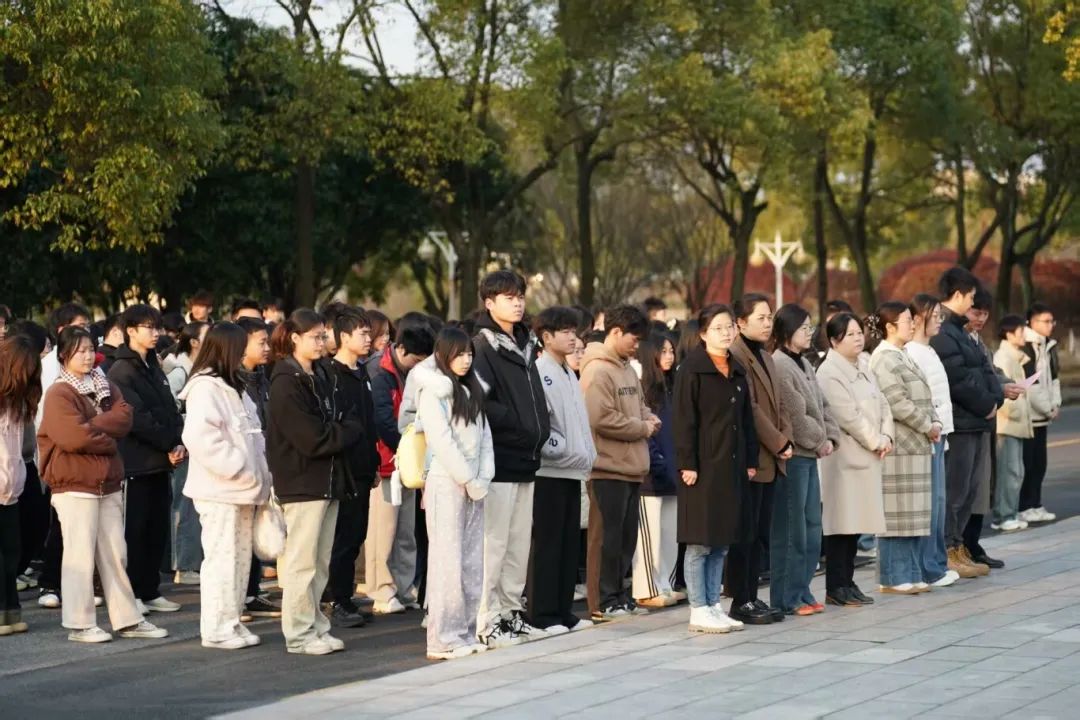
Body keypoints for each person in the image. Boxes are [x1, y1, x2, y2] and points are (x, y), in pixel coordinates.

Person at [38, 326, 168, 643]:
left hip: (106, 481)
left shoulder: (104, 383)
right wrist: (107, 436)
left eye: (89, 349)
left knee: (115, 555)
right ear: (64, 355)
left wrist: (94, 426)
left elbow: (125, 418)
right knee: (80, 556)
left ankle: (127, 619)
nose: (87, 356)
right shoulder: (59, 393)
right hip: (74, 484)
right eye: (79, 350)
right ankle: (80, 623)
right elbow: (73, 437)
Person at [268, 309, 364, 655]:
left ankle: (316, 625)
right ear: (295, 338)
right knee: (302, 562)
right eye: (316, 336)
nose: (323, 342)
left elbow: (344, 417)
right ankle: (299, 633)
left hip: (328, 479)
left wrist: (342, 429)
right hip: (302, 481)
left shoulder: (320, 374)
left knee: (320, 563)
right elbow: (311, 438)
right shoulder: (285, 381)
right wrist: (345, 431)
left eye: (324, 336)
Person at [180, 323, 272, 650]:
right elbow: (200, 438)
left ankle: (231, 620)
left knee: (239, 560)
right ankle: (217, 628)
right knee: (221, 560)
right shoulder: (206, 387)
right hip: (220, 490)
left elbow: (254, 434)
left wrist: (258, 473)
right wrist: (238, 465)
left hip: (243, 488)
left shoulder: (233, 385)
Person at [471, 271, 551, 645]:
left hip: (527, 458)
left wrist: (539, 430)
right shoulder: (482, 347)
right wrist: (519, 427)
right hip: (501, 459)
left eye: (519, 296)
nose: (517, 303)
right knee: (495, 544)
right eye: (508, 297)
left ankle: (511, 614)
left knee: (519, 544)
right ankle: (486, 619)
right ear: (489, 303)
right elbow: (482, 402)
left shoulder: (527, 343)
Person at [413, 328, 495, 659]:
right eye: (459, 354)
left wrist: (482, 478)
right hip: (446, 482)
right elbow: (441, 441)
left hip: (474, 485)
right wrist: (468, 478)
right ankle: (442, 638)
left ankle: (465, 631)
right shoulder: (433, 392)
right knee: (447, 560)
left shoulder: (472, 390)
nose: (466, 360)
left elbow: (485, 438)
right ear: (443, 356)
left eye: (469, 354)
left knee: (472, 561)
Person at [674, 304, 753, 633]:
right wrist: (687, 463)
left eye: (729, 326)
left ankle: (713, 604)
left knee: (721, 541)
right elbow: (683, 420)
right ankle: (698, 607)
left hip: (730, 467)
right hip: (702, 467)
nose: (726, 332)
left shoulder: (737, 369)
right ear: (704, 333)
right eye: (718, 328)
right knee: (700, 542)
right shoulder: (692, 370)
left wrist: (750, 460)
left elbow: (746, 421)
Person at [580, 304, 659, 621]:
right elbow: (600, 418)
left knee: (625, 540)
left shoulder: (626, 369)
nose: (637, 345)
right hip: (606, 467)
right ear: (615, 332)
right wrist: (642, 427)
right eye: (633, 338)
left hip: (631, 467)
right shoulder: (597, 370)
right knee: (606, 541)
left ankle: (619, 595)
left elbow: (639, 406)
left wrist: (649, 417)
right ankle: (602, 602)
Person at [107, 304, 186, 613]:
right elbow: (137, 418)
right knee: (135, 531)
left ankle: (150, 589)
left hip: (160, 462)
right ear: (131, 331)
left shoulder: (153, 365)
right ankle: (132, 595)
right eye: (149, 327)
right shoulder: (121, 370)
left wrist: (178, 441)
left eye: (157, 327)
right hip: (136, 463)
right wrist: (168, 443)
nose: (156, 333)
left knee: (156, 530)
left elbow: (170, 407)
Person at [527, 307, 597, 634]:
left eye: (574, 331)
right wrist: (561, 448)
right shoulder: (541, 370)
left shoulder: (568, 371)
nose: (573, 337)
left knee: (568, 545)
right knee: (549, 544)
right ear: (546, 337)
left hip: (572, 468)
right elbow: (542, 421)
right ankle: (543, 614)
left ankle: (562, 610)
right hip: (550, 471)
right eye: (566, 332)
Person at [929, 268, 1002, 578]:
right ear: (958, 295)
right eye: (971, 297)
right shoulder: (944, 332)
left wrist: (995, 398)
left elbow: (985, 369)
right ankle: (948, 549)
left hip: (975, 421)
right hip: (960, 423)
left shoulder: (960, 330)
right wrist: (987, 404)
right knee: (955, 492)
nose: (973, 302)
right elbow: (957, 379)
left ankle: (959, 547)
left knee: (969, 491)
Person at [816, 313, 891, 606]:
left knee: (856, 523)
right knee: (841, 525)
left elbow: (882, 402)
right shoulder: (829, 372)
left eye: (859, 332)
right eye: (850, 334)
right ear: (834, 341)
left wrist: (887, 436)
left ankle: (848, 582)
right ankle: (836, 585)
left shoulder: (863, 364)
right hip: (844, 458)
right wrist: (876, 440)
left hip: (868, 454)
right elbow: (848, 416)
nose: (858, 338)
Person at [728, 294, 793, 625]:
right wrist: (779, 441)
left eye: (770, 317)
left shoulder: (765, 356)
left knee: (760, 534)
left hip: (773, 455)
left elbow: (780, 404)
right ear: (741, 323)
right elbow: (750, 408)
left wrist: (786, 437)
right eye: (761, 318)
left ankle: (752, 595)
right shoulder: (736, 355)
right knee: (746, 534)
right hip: (752, 455)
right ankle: (741, 599)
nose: (768, 324)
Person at [770, 304, 839, 615]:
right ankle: (787, 596)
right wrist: (819, 441)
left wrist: (831, 437)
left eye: (811, 327)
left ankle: (803, 589)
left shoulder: (805, 364)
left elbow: (823, 406)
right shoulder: (780, 365)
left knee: (812, 527)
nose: (810, 333)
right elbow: (795, 416)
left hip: (811, 456)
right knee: (793, 530)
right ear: (787, 331)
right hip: (795, 457)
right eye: (804, 328)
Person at [866, 302, 939, 595]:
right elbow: (897, 402)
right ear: (890, 327)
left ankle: (910, 572)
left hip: (915, 444)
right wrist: (927, 424)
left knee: (912, 515)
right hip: (900, 446)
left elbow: (922, 395)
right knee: (896, 516)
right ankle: (892, 577)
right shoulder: (883, 358)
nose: (913, 325)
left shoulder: (902, 353)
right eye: (907, 320)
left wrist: (933, 420)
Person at [366, 315, 434, 615]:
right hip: (386, 465)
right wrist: (405, 448)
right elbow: (382, 421)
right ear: (401, 349)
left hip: (408, 466)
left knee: (406, 532)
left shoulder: (410, 375)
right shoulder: (380, 373)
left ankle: (404, 589)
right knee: (383, 533)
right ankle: (382, 591)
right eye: (416, 360)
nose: (419, 366)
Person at [320, 307, 380, 628]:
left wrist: (373, 464)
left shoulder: (362, 372)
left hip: (363, 467)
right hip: (342, 468)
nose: (369, 339)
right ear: (344, 337)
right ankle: (334, 599)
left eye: (369, 333)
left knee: (356, 534)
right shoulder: (331, 374)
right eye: (363, 333)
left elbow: (369, 423)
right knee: (341, 536)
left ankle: (344, 594)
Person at [905, 295, 961, 586]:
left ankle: (936, 564)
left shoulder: (929, 350)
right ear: (917, 319)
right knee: (931, 504)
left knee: (938, 502)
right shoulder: (912, 352)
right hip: (928, 434)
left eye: (940, 315)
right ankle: (930, 567)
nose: (939, 320)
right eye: (934, 315)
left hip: (940, 432)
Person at [962, 287, 1017, 569]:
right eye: (976, 312)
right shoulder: (954, 340)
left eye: (985, 313)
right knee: (966, 489)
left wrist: (1005, 384)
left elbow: (991, 373)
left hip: (984, 420)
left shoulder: (978, 341)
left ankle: (972, 543)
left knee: (982, 486)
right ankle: (962, 546)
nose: (981, 318)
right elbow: (969, 381)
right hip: (968, 421)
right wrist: (999, 389)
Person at [235, 317, 281, 620]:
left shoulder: (261, 376)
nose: (267, 348)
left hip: (264, 462)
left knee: (255, 532)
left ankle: (251, 593)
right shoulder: (232, 381)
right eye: (261, 342)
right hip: (242, 469)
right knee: (238, 540)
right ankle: (237, 599)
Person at [632, 333, 682, 609]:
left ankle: (665, 584)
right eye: (663, 351)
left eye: (671, 351)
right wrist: (658, 461)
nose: (669, 357)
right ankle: (646, 588)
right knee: (649, 536)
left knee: (669, 535)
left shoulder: (673, 387)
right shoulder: (644, 389)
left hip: (674, 473)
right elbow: (645, 435)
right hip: (651, 476)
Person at [162, 321, 209, 586]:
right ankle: (185, 564)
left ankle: (192, 562)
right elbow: (170, 411)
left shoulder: (199, 368)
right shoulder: (179, 372)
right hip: (184, 447)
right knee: (185, 506)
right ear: (193, 342)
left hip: (196, 445)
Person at [1, 335, 41, 636]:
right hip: (5, 484)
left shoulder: (20, 402)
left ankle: (10, 612)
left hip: (11, 487)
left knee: (11, 551)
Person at [1020, 302, 1062, 524]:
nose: (1050, 325)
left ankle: (1035, 504)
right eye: (1046, 321)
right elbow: (1031, 384)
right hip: (1029, 415)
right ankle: (1024, 506)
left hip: (1043, 416)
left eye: (1051, 321)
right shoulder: (1026, 346)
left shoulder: (1049, 345)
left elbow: (1054, 378)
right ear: (1031, 322)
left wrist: (1056, 403)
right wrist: (1047, 408)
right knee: (1028, 464)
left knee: (1040, 464)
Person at [992, 315, 1034, 532]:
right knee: (1009, 472)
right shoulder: (1004, 358)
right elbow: (1003, 394)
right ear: (1009, 334)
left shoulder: (1015, 357)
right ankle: (1003, 515)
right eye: (1020, 331)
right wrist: (1017, 411)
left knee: (1016, 471)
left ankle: (1010, 513)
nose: (1024, 335)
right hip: (1007, 424)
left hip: (1014, 424)